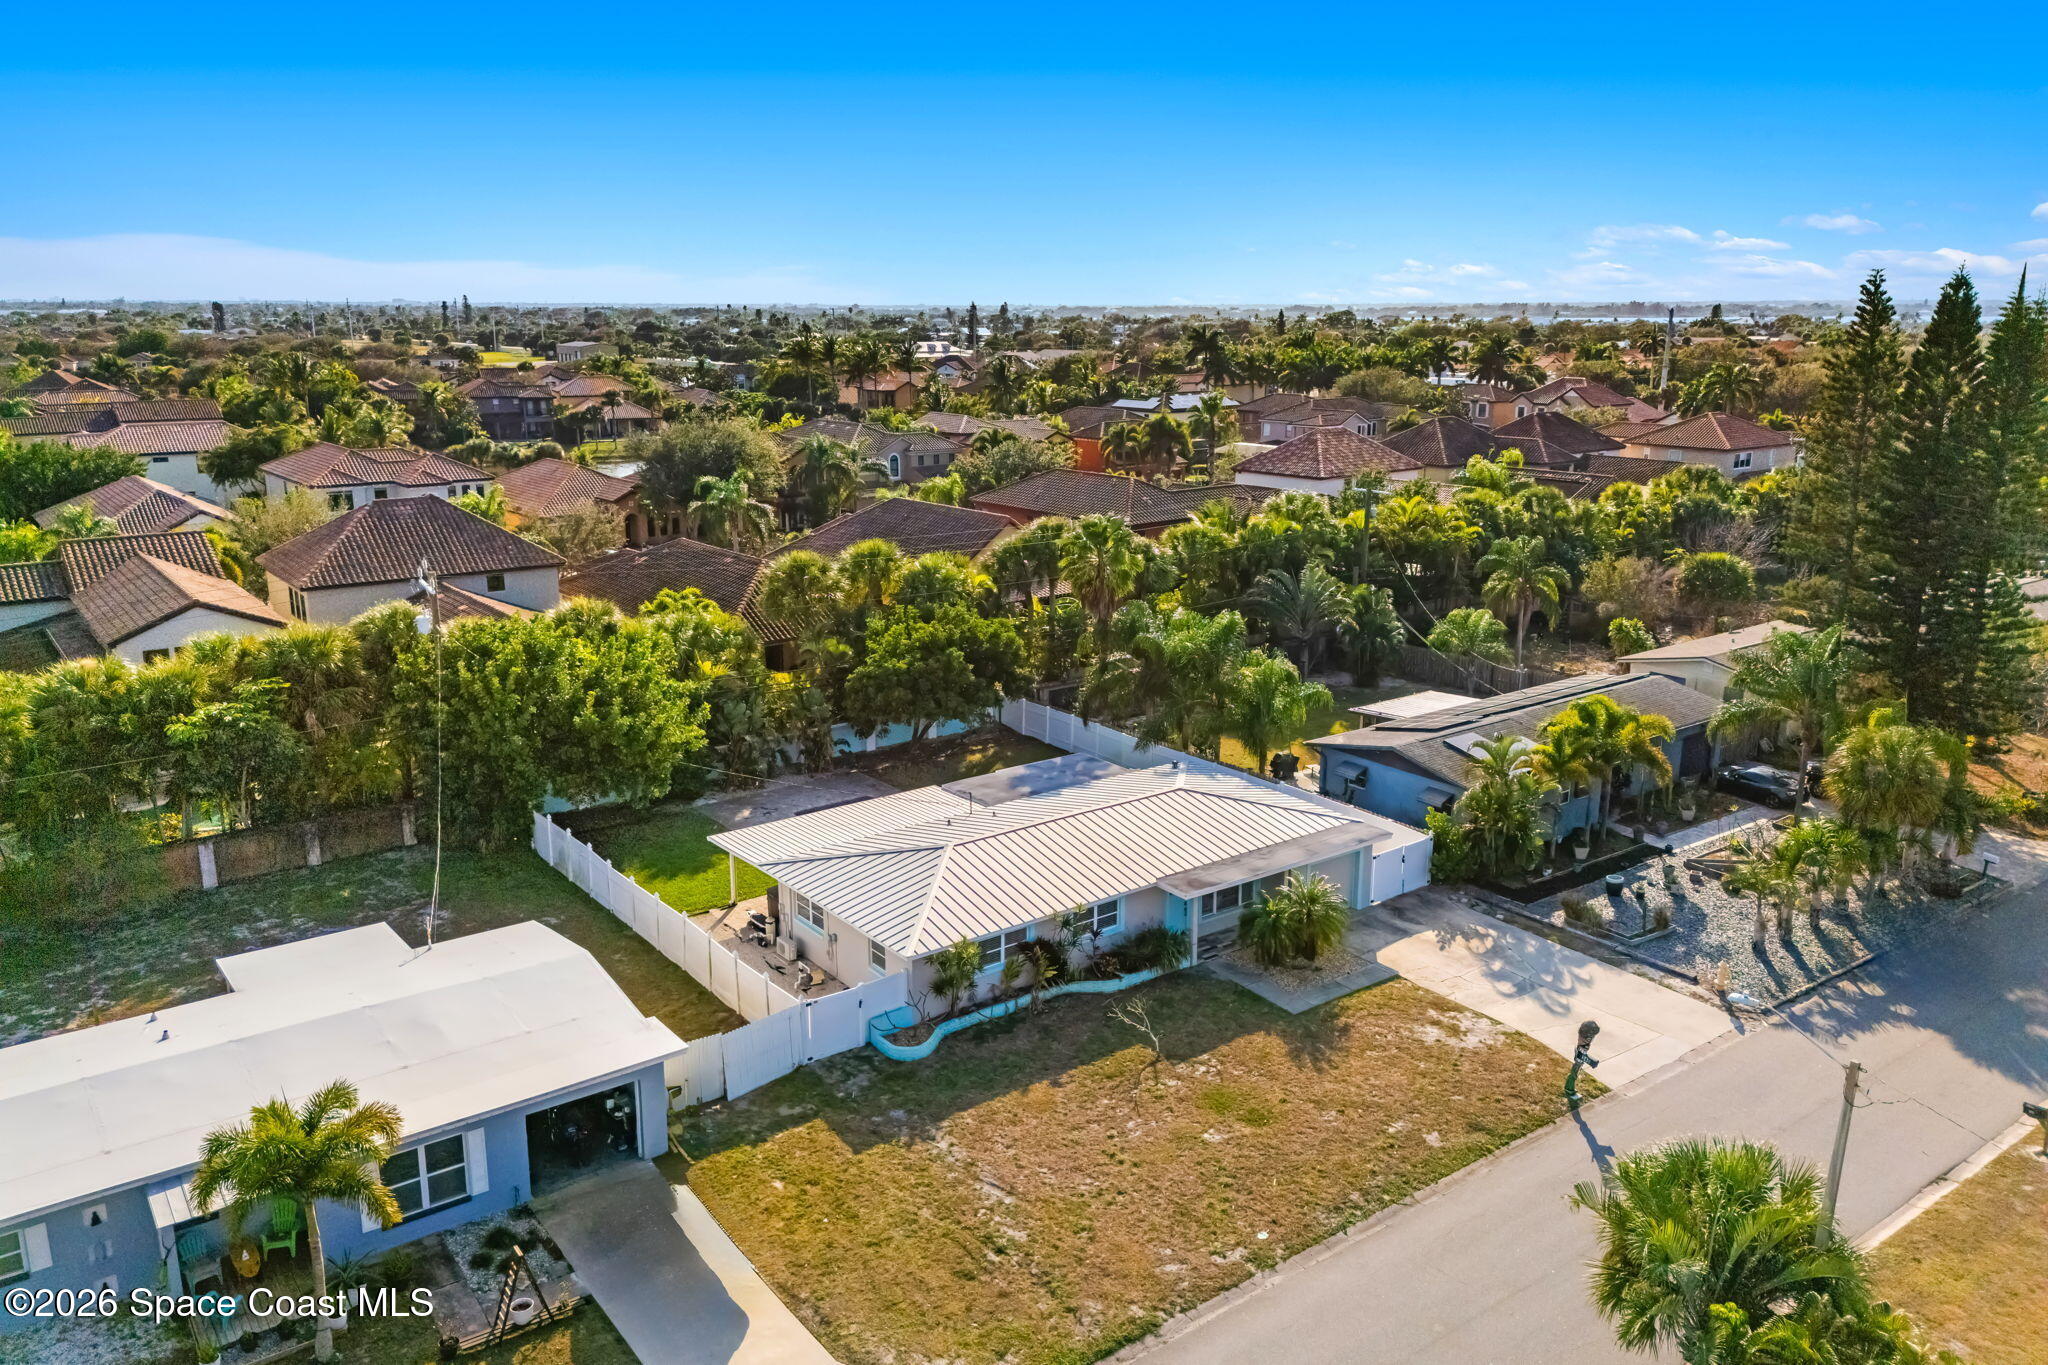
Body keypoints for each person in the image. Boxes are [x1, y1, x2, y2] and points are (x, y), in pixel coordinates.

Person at [1564, 1019, 1600, 1106]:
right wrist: (1593, 1063)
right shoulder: (1583, 1045)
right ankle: (1569, 1089)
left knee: (1574, 1073)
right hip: (1579, 1059)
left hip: (1580, 1057)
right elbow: (1582, 1055)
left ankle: (1569, 1087)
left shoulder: (1583, 1041)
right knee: (1574, 1074)